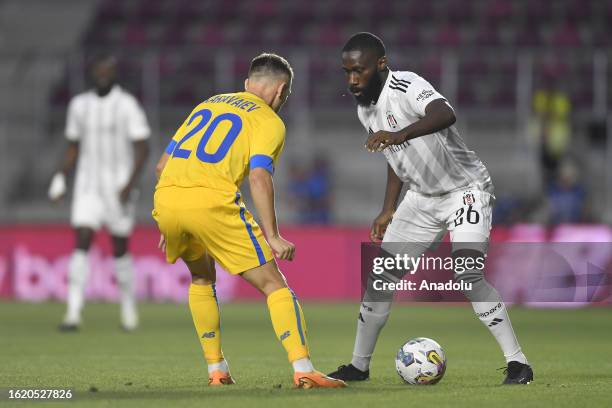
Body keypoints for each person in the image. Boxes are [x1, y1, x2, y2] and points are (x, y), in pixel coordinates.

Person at [328, 33, 533, 385]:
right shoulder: (365, 109)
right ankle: (358, 367)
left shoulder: (407, 85)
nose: (352, 80)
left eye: (358, 71)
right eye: (346, 72)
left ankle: (518, 363)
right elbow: (394, 157)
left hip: (464, 190)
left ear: (380, 65)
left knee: (467, 272)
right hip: (421, 199)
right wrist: (387, 208)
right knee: (380, 279)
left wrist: (398, 135)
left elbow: (445, 114)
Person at [152, 53, 346, 389]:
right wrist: (272, 234)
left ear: (246, 84)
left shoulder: (207, 104)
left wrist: (170, 217)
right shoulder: (269, 121)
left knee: (201, 278)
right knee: (274, 285)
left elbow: (161, 165)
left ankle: (217, 370)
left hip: (168, 198)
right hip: (211, 200)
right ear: (281, 90)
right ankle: (303, 369)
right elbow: (258, 176)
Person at [48, 54, 150, 332]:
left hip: (118, 185)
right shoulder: (80, 105)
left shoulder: (127, 105)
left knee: (119, 247)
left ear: (115, 73)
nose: (103, 74)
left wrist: (129, 185)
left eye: (108, 70)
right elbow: (73, 147)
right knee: (82, 239)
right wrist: (60, 177)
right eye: (99, 70)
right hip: (87, 185)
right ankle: (72, 312)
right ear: (94, 72)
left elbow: (143, 147)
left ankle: (128, 309)